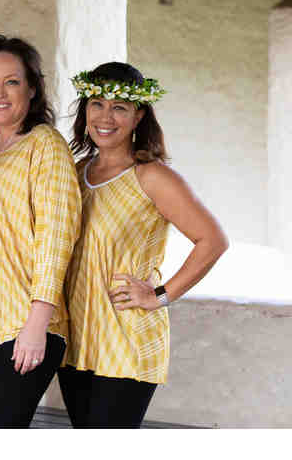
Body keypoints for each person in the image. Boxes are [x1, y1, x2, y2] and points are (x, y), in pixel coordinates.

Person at [58, 62, 229, 428]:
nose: (106, 117)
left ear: (138, 116)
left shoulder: (151, 176)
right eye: (97, 104)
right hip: (76, 338)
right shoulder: (75, 172)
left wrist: (159, 296)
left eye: (119, 107)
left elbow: (213, 240)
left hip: (127, 338)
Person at [0, 34, 81, 428]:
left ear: (32, 88)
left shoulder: (45, 145)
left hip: (19, 328)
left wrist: (36, 324)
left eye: (12, 81)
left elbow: (56, 237)